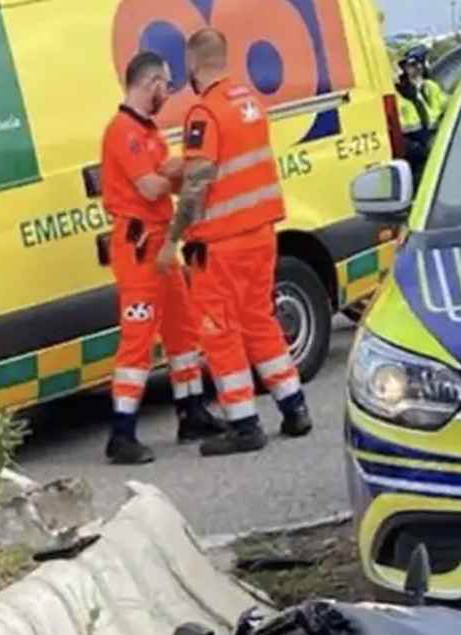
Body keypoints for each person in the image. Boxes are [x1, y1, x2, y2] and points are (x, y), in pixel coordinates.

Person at [161, 27, 315, 458]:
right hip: (260, 235)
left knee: (219, 333)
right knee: (259, 321)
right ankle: (294, 406)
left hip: (220, 244)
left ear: (193, 63)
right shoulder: (249, 103)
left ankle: (244, 424)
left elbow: (199, 183)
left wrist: (173, 236)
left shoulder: (203, 113)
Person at [97, 52, 211, 465]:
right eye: (165, 83)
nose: (169, 90)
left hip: (159, 244)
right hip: (139, 247)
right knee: (138, 339)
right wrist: (179, 168)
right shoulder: (123, 132)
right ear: (149, 83)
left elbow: (166, 174)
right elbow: (149, 186)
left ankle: (191, 410)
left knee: (183, 329)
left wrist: (177, 167)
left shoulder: (147, 132)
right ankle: (121, 433)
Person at [393, 46, 449, 171]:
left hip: (440, 147)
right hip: (420, 159)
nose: (417, 68)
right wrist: (422, 151)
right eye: (411, 65)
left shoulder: (430, 86)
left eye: (418, 64)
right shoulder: (399, 96)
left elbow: (449, 106)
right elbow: (398, 137)